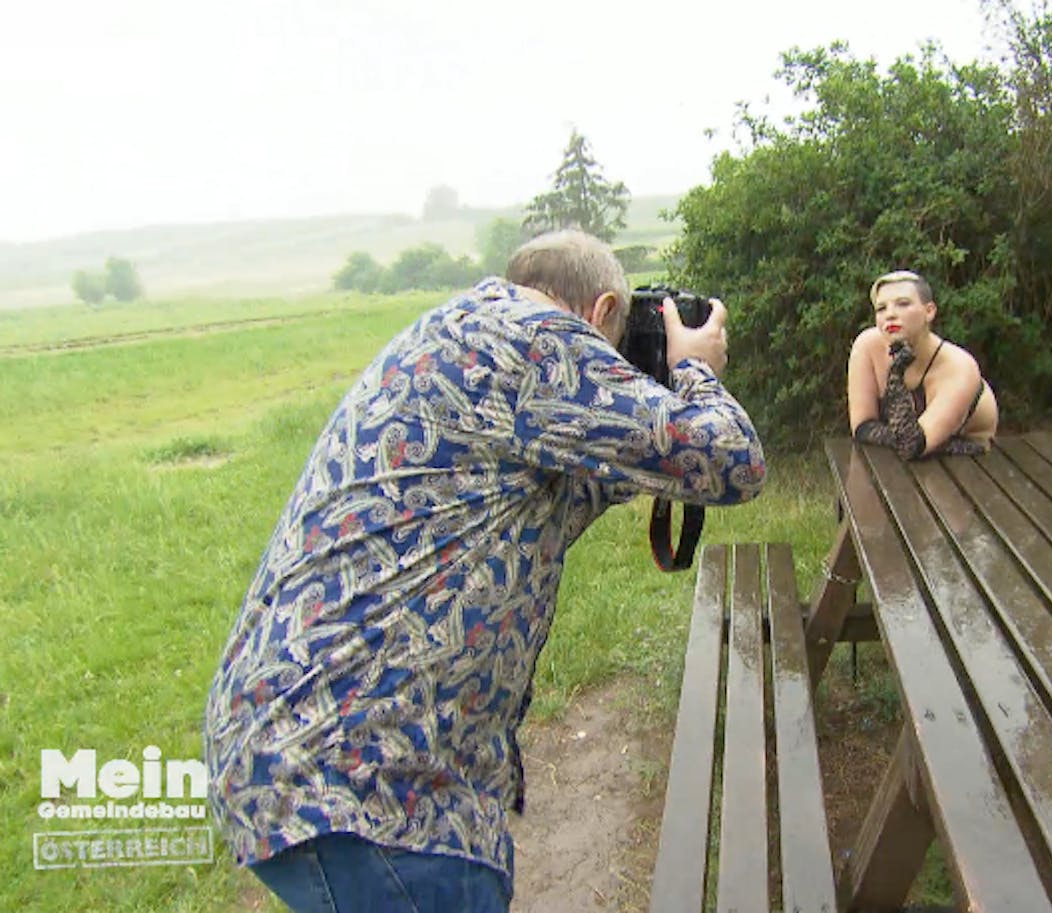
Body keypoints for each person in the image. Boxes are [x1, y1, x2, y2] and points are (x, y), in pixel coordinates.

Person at [202, 230, 765, 913]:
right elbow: (733, 460)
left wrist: (646, 420)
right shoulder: (540, 340)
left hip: (300, 744)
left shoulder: (467, 327)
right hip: (376, 785)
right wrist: (695, 367)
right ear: (600, 311)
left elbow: (553, 488)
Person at [847, 269, 999, 458]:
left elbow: (911, 445)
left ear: (929, 311)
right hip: (910, 454)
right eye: (881, 308)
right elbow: (862, 428)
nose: (890, 315)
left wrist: (895, 377)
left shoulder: (959, 367)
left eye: (903, 304)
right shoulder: (867, 345)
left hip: (970, 459)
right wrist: (900, 438)